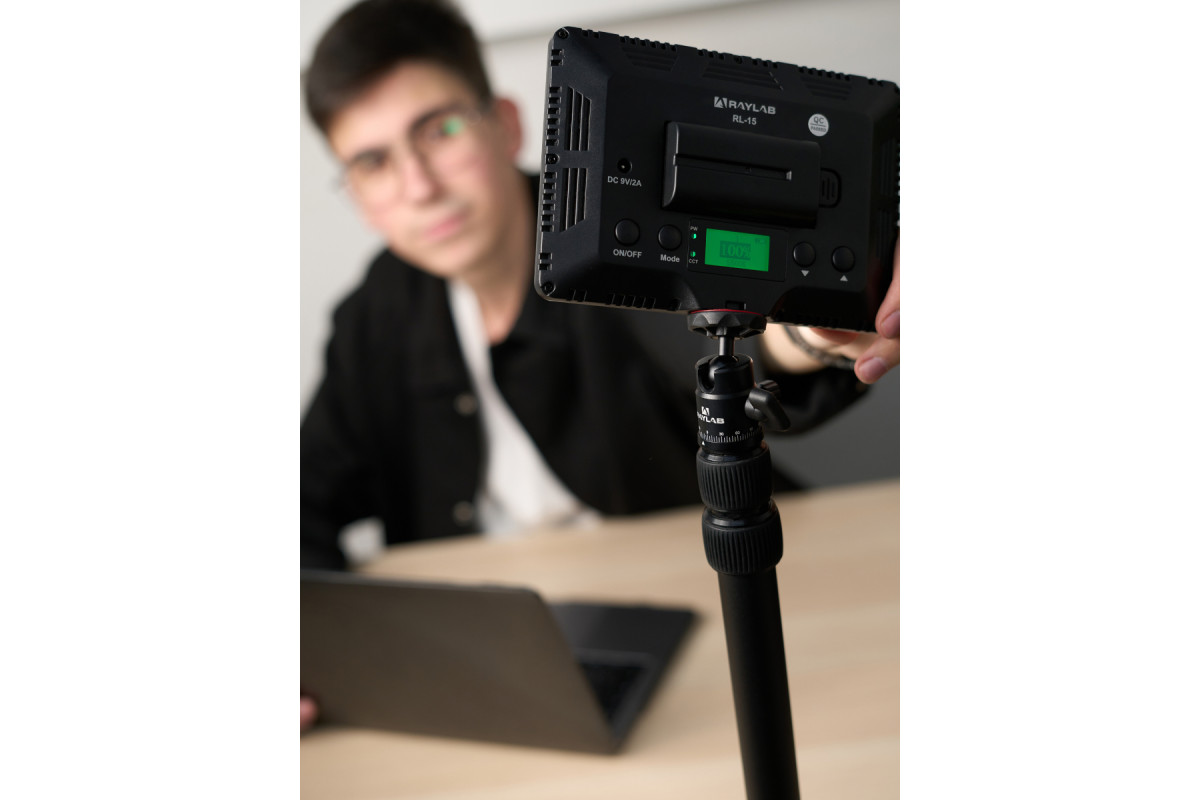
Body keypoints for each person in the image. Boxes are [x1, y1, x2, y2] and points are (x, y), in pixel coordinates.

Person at [299, 0, 899, 731]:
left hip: (709, 638)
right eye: (373, 163)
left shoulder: (611, 242)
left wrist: (811, 336)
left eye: (441, 130)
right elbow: (302, 493)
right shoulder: (377, 312)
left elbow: (719, 340)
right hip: (487, 670)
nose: (419, 186)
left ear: (507, 126)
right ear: (357, 198)